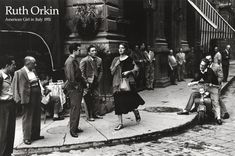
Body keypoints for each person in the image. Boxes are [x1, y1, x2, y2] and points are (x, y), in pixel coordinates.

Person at [110, 43, 145, 131]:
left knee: (129, 100)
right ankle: (120, 123)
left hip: (127, 83)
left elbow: (136, 69)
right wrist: (116, 65)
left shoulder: (130, 59)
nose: (120, 49)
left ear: (125, 49)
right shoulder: (115, 59)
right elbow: (111, 71)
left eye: (122, 48)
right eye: (119, 48)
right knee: (118, 102)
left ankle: (135, 110)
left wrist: (129, 72)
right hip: (117, 84)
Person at [177, 58, 222, 125]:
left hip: (213, 87)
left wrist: (196, 82)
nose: (201, 66)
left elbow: (208, 80)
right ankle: (186, 110)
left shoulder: (210, 71)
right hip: (206, 87)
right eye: (201, 65)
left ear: (206, 66)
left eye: (203, 65)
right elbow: (197, 78)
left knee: (215, 102)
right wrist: (191, 82)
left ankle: (218, 118)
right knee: (193, 94)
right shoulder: (201, 70)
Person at [12, 56, 44, 145]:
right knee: (27, 117)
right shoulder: (19, 72)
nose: (35, 65)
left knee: (37, 115)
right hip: (27, 97)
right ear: (28, 63)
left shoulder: (33, 71)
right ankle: (26, 137)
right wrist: (17, 98)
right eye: (34, 63)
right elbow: (15, 86)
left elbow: (38, 82)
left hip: (36, 96)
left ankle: (35, 134)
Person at [64, 43, 85, 138]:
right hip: (74, 88)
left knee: (77, 108)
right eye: (78, 50)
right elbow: (70, 77)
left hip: (77, 87)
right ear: (74, 51)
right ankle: (72, 130)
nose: (79, 51)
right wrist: (76, 86)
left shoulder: (73, 60)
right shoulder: (70, 61)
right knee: (74, 109)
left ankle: (75, 127)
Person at [80, 45, 103, 121]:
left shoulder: (99, 60)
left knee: (96, 97)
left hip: (96, 81)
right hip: (88, 82)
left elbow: (101, 71)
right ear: (89, 52)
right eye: (92, 51)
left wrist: (98, 79)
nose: (94, 52)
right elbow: (82, 73)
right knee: (88, 99)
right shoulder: (85, 60)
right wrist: (85, 82)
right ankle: (89, 116)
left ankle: (96, 113)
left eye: (95, 50)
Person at [0, 55, 16, 156]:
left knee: (11, 130)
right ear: (7, 65)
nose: (15, 67)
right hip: (3, 106)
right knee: (4, 131)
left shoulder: (10, 76)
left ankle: (8, 152)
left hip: (11, 104)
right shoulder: (0, 76)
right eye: (13, 65)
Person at [205, 55, 230, 119]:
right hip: (208, 85)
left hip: (216, 85)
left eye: (210, 59)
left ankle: (224, 112)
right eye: (207, 59)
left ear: (212, 59)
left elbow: (221, 77)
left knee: (217, 98)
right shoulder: (205, 66)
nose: (209, 60)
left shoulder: (217, 66)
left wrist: (214, 82)